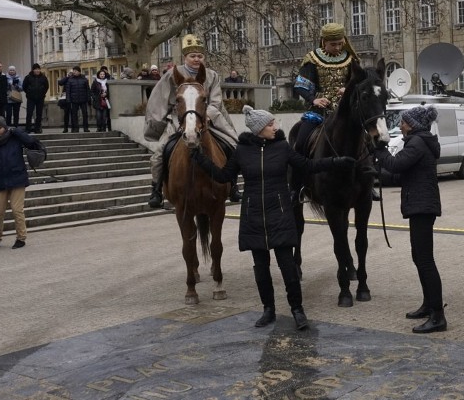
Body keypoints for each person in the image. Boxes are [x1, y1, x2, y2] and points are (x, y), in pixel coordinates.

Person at [191, 106, 356, 330]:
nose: (275, 127)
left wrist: (336, 162)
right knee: (261, 269)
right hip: (254, 216)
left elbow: (307, 165)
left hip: (279, 214)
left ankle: (297, 310)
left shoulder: (282, 147)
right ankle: (268, 310)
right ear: (259, 129)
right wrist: (200, 159)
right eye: (270, 124)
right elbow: (223, 176)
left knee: (288, 267)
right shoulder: (242, 151)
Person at [373, 105, 447, 334]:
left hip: (421, 207)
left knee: (425, 260)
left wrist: (380, 148)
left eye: (403, 122)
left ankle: (438, 316)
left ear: (412, 124)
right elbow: (398, 173)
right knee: (419, 257)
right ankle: (428, 305)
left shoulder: (417, 142)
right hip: (420, 205)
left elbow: (395, 164)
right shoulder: (420, 141)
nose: (400, 125)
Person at [144, 35, 241, 208]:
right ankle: (156, 189)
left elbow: (216, 100)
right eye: (192, 56)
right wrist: (157, 123)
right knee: (159, 153)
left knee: (232, 145)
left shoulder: (212, 75)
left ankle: (232, 185)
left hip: (208, 118)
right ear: (185, 57)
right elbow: (160, 99)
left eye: (199, 56)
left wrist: (207, 115)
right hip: (180, 121)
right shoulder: (172, 75)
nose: (197, 59)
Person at [292, 22, 378, 201]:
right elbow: (301, 85)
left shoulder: (350, 59)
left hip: (345, 109)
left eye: (340, 43)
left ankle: (369, 180)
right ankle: (298, 185)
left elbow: (360, 83)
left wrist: (348, 89)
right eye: (333, 44)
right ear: (324, 42)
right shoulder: (312, 59)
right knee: (300, 142)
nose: (338, 47)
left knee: (369, 139)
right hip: (320, 110)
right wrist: (313, 98)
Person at [0, 116, 40, 249]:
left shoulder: (15, 138)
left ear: (5, 128)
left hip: (17, 179)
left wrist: (18, 132)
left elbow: (31, 143)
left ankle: (21, 238)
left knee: (17, 209)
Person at [58, 66, 90, 133]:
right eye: (73, 71)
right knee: (74, 115)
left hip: (83, 100)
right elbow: (67, 90)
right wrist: (69, 100)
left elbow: (88, 90)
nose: (74, 72)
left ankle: (86, 128)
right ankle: (75, 128)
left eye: (75, 71)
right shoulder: (70, 79)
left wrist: (88, 99)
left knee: (85, 114)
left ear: (79, 71)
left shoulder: (84, 79)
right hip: (74, 100)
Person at [22, 63, 49, 133]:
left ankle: (38, 128)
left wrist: (42, 93)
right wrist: (29, 92)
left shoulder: (43, 77)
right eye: (36, 69)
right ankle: (28, 128)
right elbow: (24, 87)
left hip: (40, 98)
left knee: (39, 114)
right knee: (29, 113)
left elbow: (46, 86)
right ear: (33, 70)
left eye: (38, 69)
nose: (37, 70)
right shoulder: (28, 77)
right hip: (31, 98)